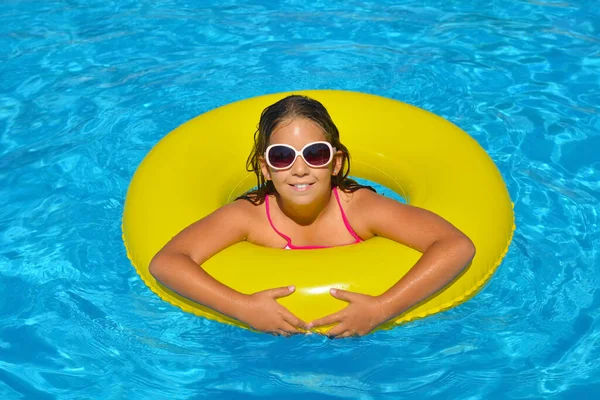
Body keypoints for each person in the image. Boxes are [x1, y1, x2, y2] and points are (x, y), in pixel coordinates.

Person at [149, 95, 476, 338]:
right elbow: (168, 261)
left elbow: (455, 245)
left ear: (335, 162)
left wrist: (383, 308)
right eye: (282, 156)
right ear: (265, 167)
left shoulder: (359, 209)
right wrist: (242, 307)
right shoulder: (249, 216)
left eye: (315, 153)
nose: (300, 168)